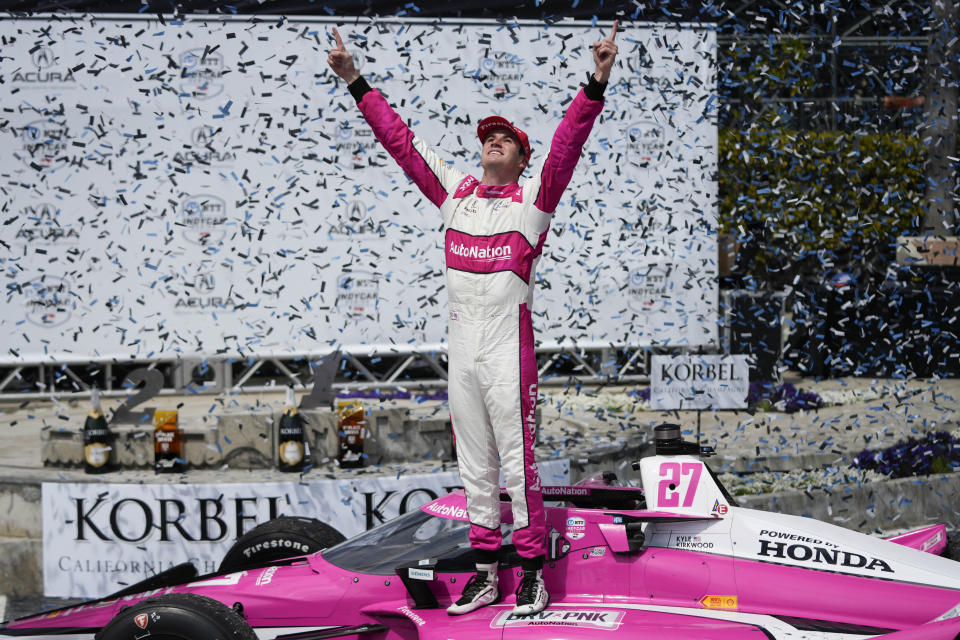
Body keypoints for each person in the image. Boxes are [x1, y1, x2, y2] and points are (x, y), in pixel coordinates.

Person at [327, 22, 618, 616]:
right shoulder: (453, 196)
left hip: (508, 352)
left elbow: (567, 146)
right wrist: (355, 80)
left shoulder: (534, 203)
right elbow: (400, 143)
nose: (494, 142)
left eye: (506, 140)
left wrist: (596, 79)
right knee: (475, 472)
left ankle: (532, 572)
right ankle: (487, 575)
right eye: (488, 137)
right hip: (463, 353)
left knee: (518, 468)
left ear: (520, 158)